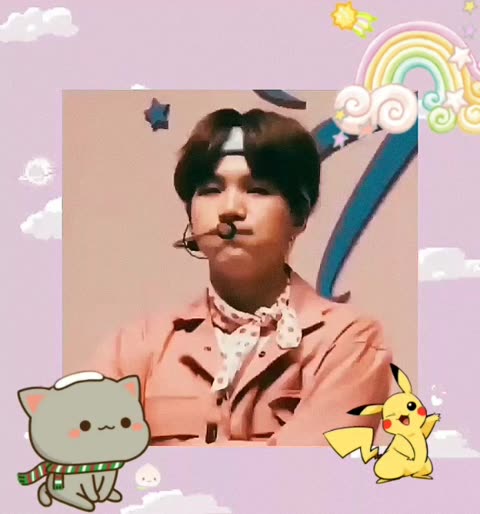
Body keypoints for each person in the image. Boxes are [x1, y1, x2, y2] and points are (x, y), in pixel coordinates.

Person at [87, 107, 393, 447]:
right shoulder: (134, 346)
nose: (230, 209)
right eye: (211, 189)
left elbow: (306, 473)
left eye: (257, 189)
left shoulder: (348, 341)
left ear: (299, 214)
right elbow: (84, 459)